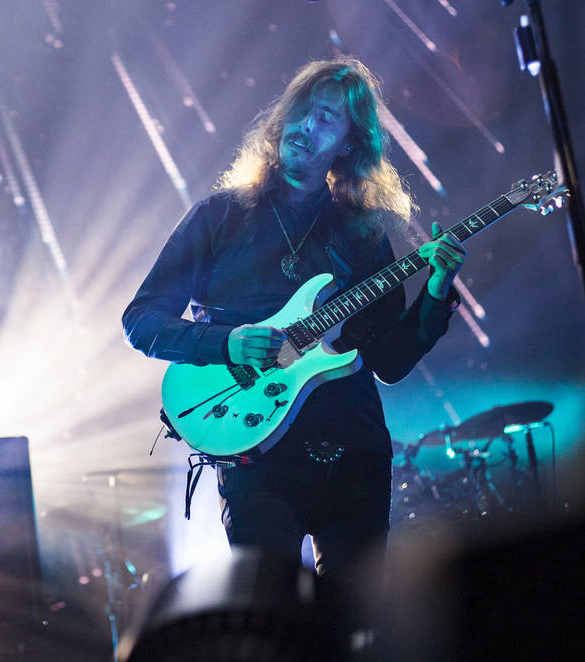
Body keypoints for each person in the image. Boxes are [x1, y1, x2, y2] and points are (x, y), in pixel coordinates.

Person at [121, 59, 466, 589]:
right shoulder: (220, 218)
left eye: (327, 119)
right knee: (275, 617)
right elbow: (141, 320)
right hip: (257, 457)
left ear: (349, 145)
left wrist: (436, 293)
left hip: (354, 454)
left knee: (356, 629)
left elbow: (391, 362)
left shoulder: (363, 236)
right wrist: (226, 343)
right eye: (302, 112)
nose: (307, 126)